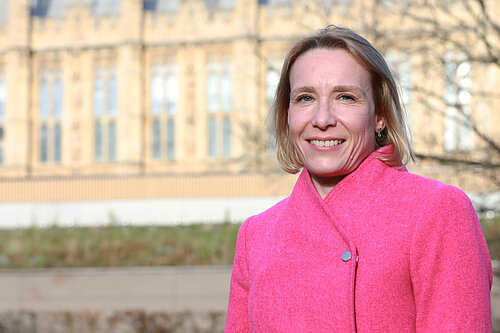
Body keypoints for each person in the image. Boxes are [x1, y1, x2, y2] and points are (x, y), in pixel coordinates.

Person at [224, 25, 492, 332]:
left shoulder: (437, 211)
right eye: (305, 98)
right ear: (287, 115)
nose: (322, 119)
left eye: (345, 97)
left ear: (380, 116)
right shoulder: (256, 235)